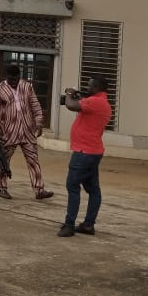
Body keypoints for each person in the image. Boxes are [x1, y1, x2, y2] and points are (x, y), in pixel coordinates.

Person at [57, 76, 114, 237]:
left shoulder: (96, 102)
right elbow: (80, 104)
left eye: (90, 86)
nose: (87, 89)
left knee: (72, 186)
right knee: (93, 189)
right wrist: (77, 96)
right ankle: (88, 225)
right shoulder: (102, 102)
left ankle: (69, 225)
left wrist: (70, 93)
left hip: (84, 152)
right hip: (93, 152)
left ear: (96, 87)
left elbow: (70, 105)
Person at [0, 64, 54, 201]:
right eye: (11, 79)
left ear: (19, 76)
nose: (13, 81)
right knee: (4, 161)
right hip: (8, 132)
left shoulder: (27, 86)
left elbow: (35, 105)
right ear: (6, 77)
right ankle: (2, 188)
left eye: (16, 78)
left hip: (27, 131)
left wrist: (39, 123)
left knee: (33, 160)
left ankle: (39, 190)